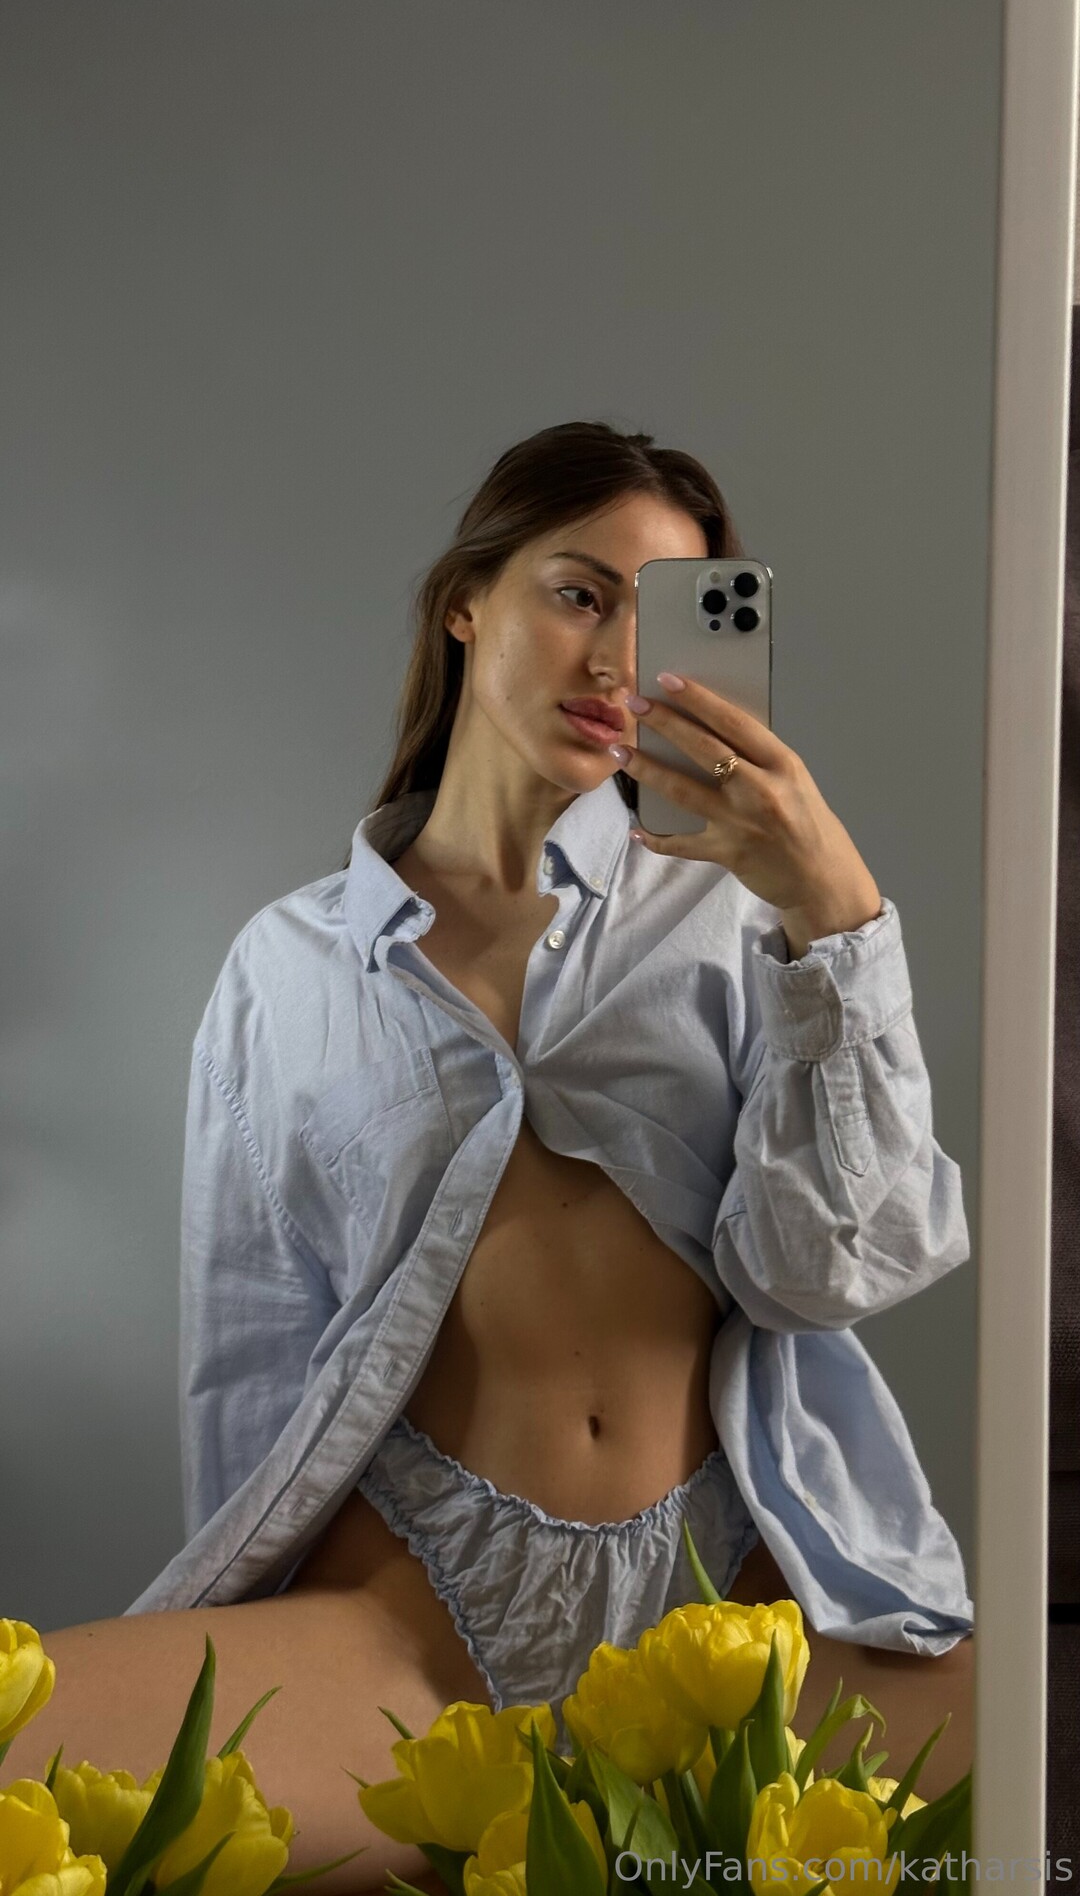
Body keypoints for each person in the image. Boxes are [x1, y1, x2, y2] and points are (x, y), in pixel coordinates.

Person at [14, 423, 974, 1895]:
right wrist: (245, 1634)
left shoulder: (734, 918)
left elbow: (830, 1272)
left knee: (1026, 1806)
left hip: (734, 1605)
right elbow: (255, 1358)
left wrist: (833, 911)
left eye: (660, 617)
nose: (618, 661)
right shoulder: (289, 966)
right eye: (580, 594)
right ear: (467, 600)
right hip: (410, 1616)